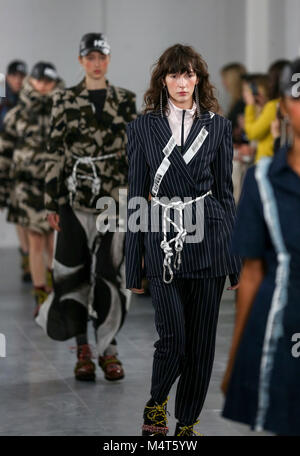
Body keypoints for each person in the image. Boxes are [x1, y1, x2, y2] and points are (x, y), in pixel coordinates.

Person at [125, 44, 241, 436]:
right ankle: (157, 402)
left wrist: (235, 256)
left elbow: (226, 195)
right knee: (173, 337)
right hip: (162, 241)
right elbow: (136, 196)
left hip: (209, 243)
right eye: (174, 74)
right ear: (163, 80)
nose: (181, 82)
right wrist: (132, 263)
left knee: (202, 344)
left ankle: (187, 424)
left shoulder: (220, 128)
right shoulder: (142, 127)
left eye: (189, 74)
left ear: (199, 80)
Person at [37, 33, 137, 383]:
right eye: (90, 57)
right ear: (81, 60)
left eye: (101, 57)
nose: (96, 62)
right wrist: (51, 201)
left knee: (112, 277)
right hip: (73, 200)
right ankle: (82, 350)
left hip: (112, 200)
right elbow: (55, 151)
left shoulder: (125, 100)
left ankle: (109, 350)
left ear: (108, 60)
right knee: (71, 275)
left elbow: (134, 152)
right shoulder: (64, 100)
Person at [221, 58, 300, 436]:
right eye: (298, 97)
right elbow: (251, 274)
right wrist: (237, 358)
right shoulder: (262, 181)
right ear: (283, 105)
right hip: (281, 334)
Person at [0, 62, 61, 315]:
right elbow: (4, 152)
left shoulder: (64, 111)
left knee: (52, 240)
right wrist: (3, 190)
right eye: (40, 80)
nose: (44, 86)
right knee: (37, 240)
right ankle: (41, 296)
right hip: (27, 186)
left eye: (49, 81)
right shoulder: (17, 114)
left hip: (55, 186)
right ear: (32, 81)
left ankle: (52, 289)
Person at [0, 60, 31, 282]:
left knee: (25, 211)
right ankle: (26, 254)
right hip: (5, 160)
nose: (18, 80)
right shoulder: (2, 98)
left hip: (25, 161)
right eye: (15, 76)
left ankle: (29, 257)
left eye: (22, 76)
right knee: (17, 211)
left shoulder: (28, 97)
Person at [243, 60, 290, 163]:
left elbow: (252, 133)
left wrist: (250, 106)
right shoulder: (286, 104)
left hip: (267, 161)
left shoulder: (274, 105)